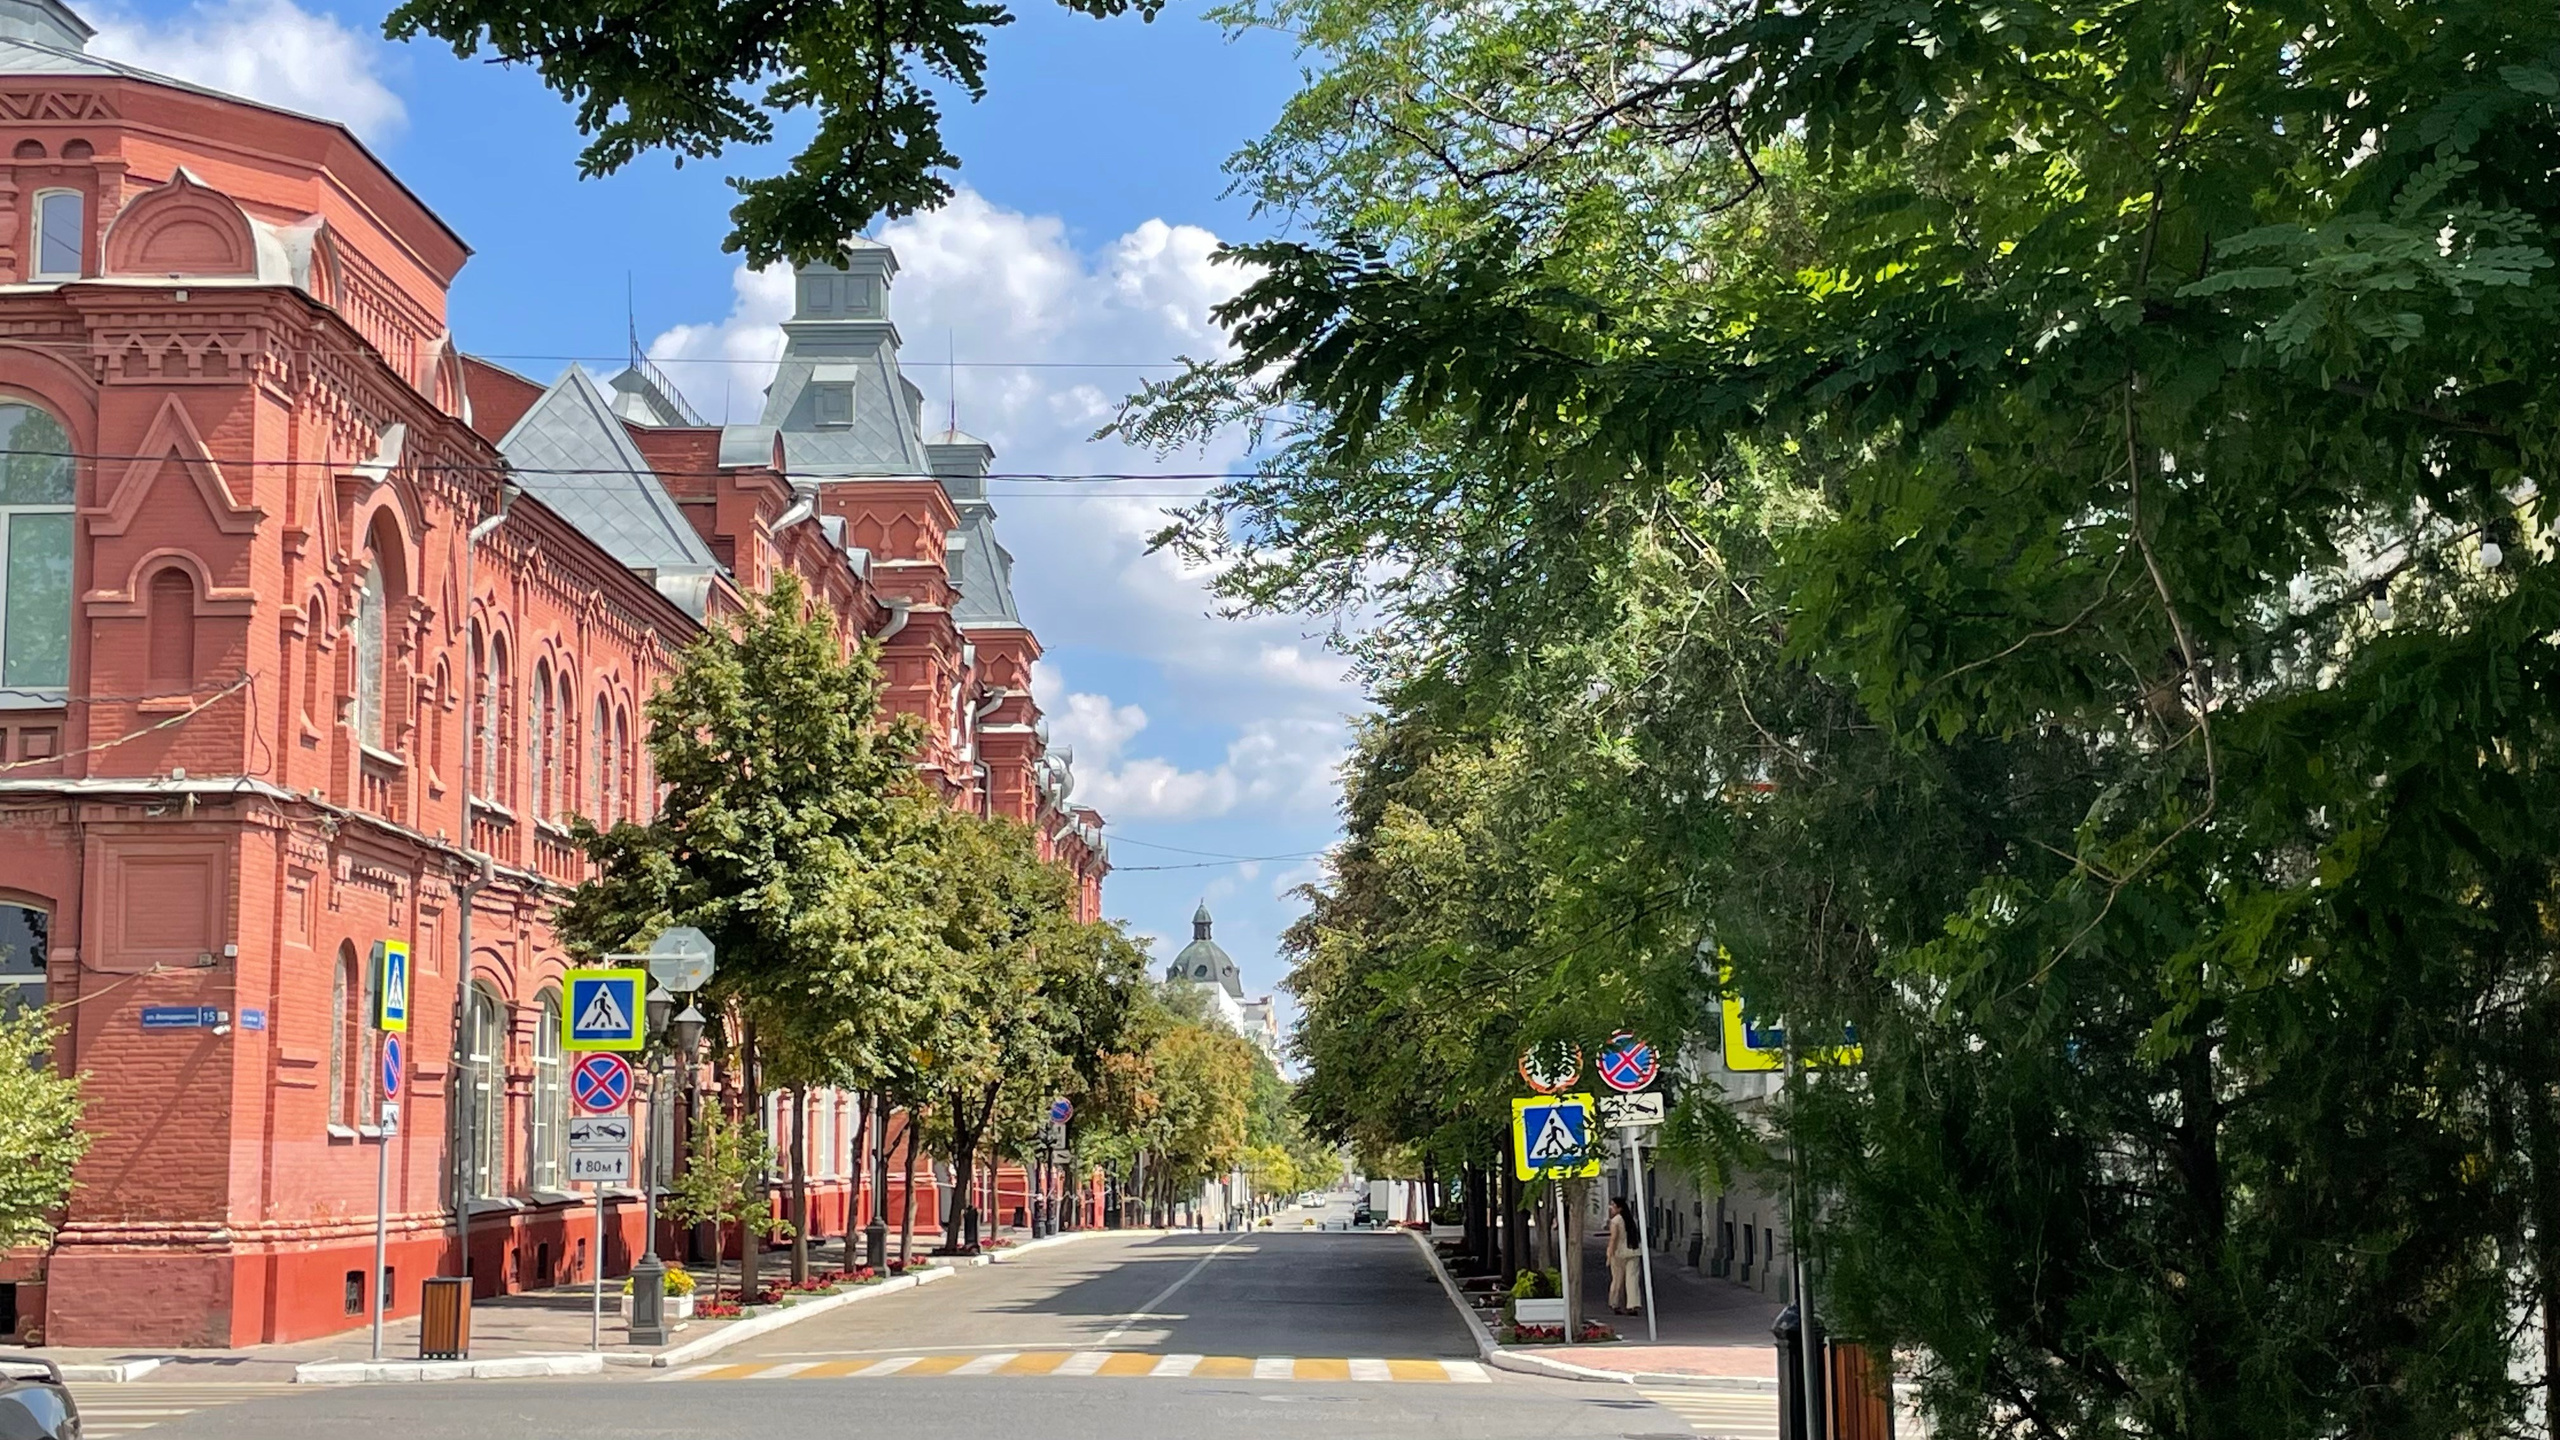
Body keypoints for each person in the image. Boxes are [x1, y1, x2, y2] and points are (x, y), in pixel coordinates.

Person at [1606, 1197, 1643, 1316]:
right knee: (1632, 1279)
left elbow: (1613, 1238)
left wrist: (1609, 1253)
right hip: (1633, 1252)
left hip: (1619, 1253)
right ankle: (1633, 1305)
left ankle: (1615, 1303)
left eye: (1613, 1205)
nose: (1611, 1208)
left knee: (1617, 1279)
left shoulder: (1615, 1221)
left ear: (1619, 1208)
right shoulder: (1630, 1219)